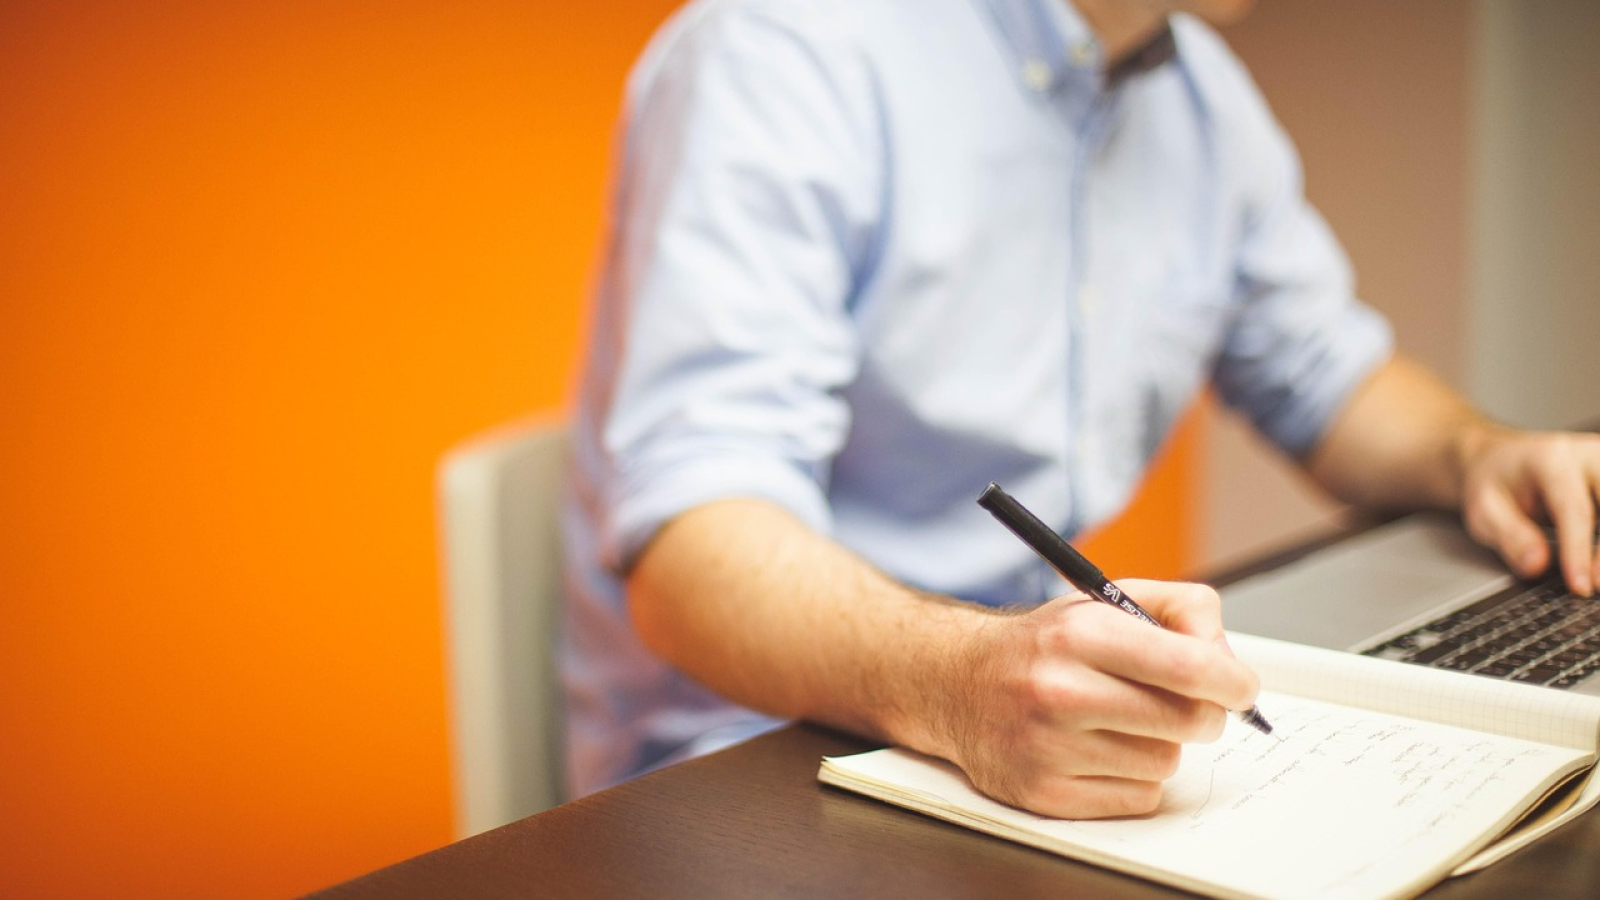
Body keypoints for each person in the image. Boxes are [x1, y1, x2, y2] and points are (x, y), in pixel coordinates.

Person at [558, 0, 1600, 817]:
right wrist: (961, 683)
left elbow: (1324, 376)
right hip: (749, 770)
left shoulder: (1199, 99)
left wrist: (1476, 454)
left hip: (1015, 723)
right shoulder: (782, 53)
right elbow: (690, 554)